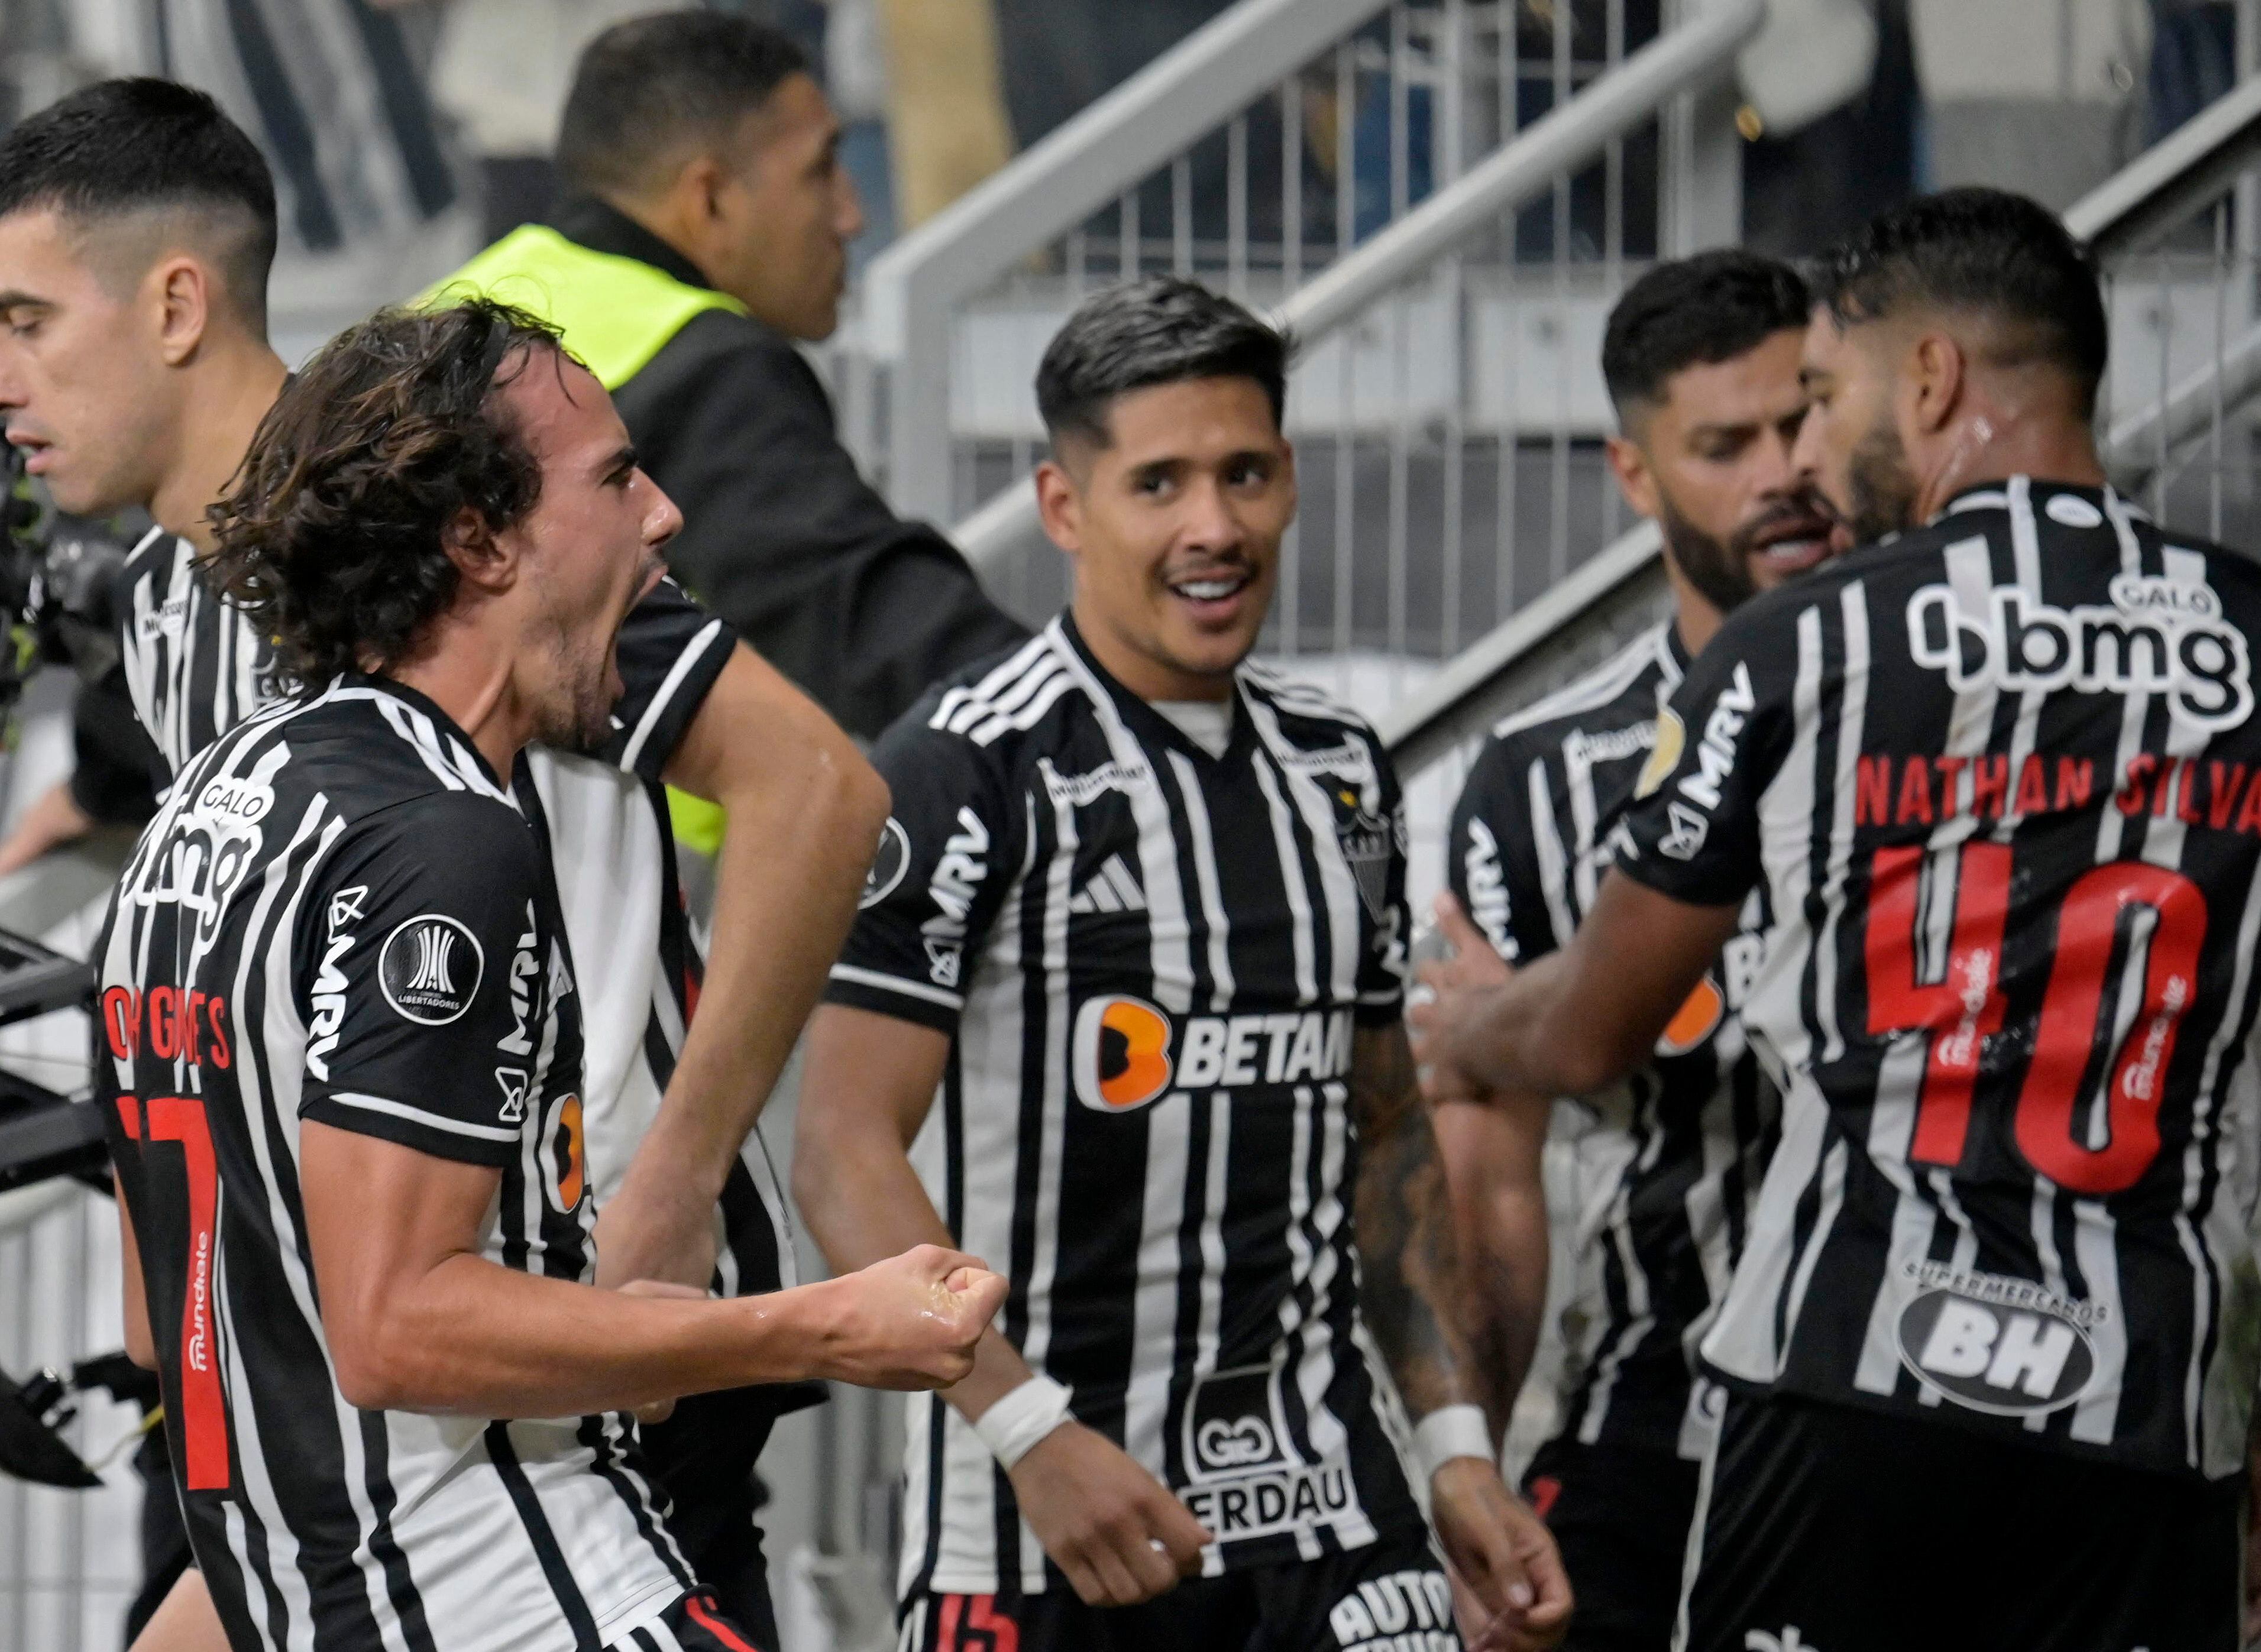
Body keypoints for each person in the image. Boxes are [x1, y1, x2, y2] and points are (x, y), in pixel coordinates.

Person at [0, 79, 888, 1643]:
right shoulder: (161, 603)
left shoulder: (454, 509)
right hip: (364, 1348)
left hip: (574, 1314)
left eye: (26, 322)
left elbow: (817, 786)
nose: (5, 379)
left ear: (177, 302)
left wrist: (674, 1180)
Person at [1412, 187, 2261, 1652]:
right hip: (2148, 1397)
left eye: (1820, 396)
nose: (1805, 456)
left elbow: (1595, 1025)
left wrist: (1473, 1023)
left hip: (1849, 1374)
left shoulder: (1808, 641)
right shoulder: (2248, 635)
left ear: (1929, 380)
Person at [98, 296, 1006, 1650]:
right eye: (618, 478)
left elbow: (193, 1308)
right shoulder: (444, 839)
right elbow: (398, 1327)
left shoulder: (215, 798)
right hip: (516, 1585)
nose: (665, 516)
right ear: (478, 540)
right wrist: (816, 1324)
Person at [793, 275, 1571, 1652]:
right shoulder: (965, 769)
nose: (1214, 525)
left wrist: (1455, 1445)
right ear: (1062, 507)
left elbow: (1386, 1125)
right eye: (1158, 483)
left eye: (1245, 473)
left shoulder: (1341, 769)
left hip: (1333, 1512)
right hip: (1043, 1522)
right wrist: (1029, 1430)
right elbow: (843, 1153)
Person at [1434, 249, 1833, 1652]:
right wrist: (1469, 1471)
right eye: (1724, 446)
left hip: (1933, 1424)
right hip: (1650, 1420)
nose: (1783, 474)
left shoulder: (1974, 718)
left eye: (1802, 420)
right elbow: (1485, 1177)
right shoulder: (1543, 779)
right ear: (1635, 474)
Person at [438, 8, 1027, 744]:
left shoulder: (440, 315)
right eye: (821, 170)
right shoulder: (702, 364)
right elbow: (873, 627)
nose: (851, 215)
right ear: (710, 198)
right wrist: (1082, 725)